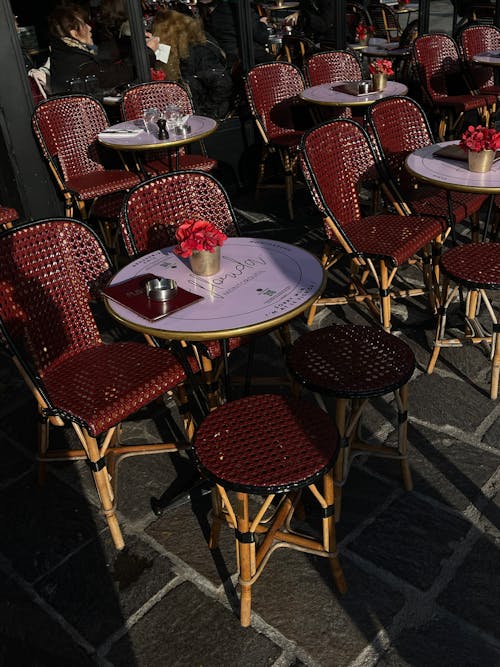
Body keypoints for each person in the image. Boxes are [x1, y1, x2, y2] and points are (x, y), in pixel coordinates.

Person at [48, 3, 157, 94]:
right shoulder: (77, 64)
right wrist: (147, 52)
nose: (89, 28)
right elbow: (116, 74)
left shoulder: (67, 52)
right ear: (74, 33)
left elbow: (104, 53)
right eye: (84, 24)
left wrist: (134, 41)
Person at [152, 8, 234, 119]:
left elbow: (223, 85)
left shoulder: (198, 51)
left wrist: (202, 113)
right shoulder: (186, 49)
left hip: (210, 118)